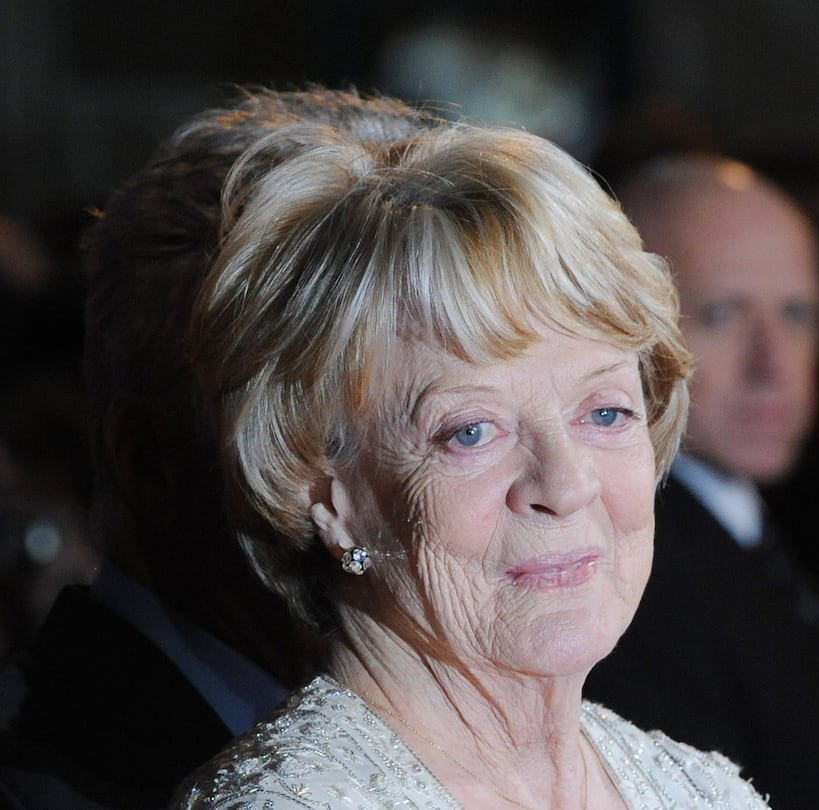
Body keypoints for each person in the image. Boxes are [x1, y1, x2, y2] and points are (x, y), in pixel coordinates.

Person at [169, 116, 768, 808]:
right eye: (471, 431)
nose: (567, 485)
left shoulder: (706, 793)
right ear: (329, 494)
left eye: (604, 413)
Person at [0, 88, 445, 810]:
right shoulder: (44, 786)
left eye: (452, 421)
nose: (408, 484)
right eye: (322, 427)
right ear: (151, 460)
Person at [585, 154, 819, 808]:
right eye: (722, 315)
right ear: (621, 328)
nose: (774, 364)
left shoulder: (769, 522)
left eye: (798, 315)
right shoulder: (627, 574)